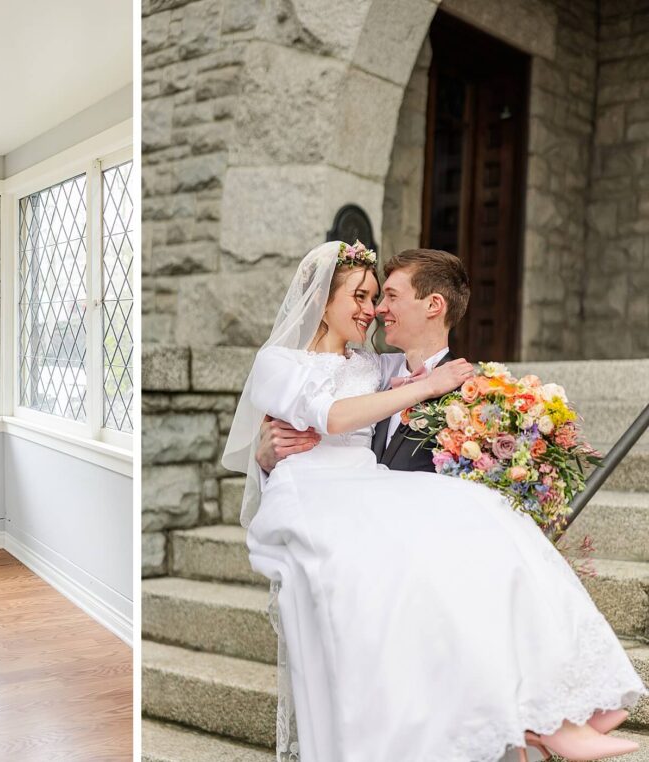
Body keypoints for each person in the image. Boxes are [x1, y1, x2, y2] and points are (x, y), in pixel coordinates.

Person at [221, 241, 645, 762]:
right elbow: (331, 417)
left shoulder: (404, 374)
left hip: (381, 505)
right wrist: (265, 456)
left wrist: (429, 384)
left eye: (381, 295)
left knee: (495, 524)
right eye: (361, 295)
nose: (372, 309)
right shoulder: (285, 362)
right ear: (320, 298)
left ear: (433, 305)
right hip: (330, 501)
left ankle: (558, 709)